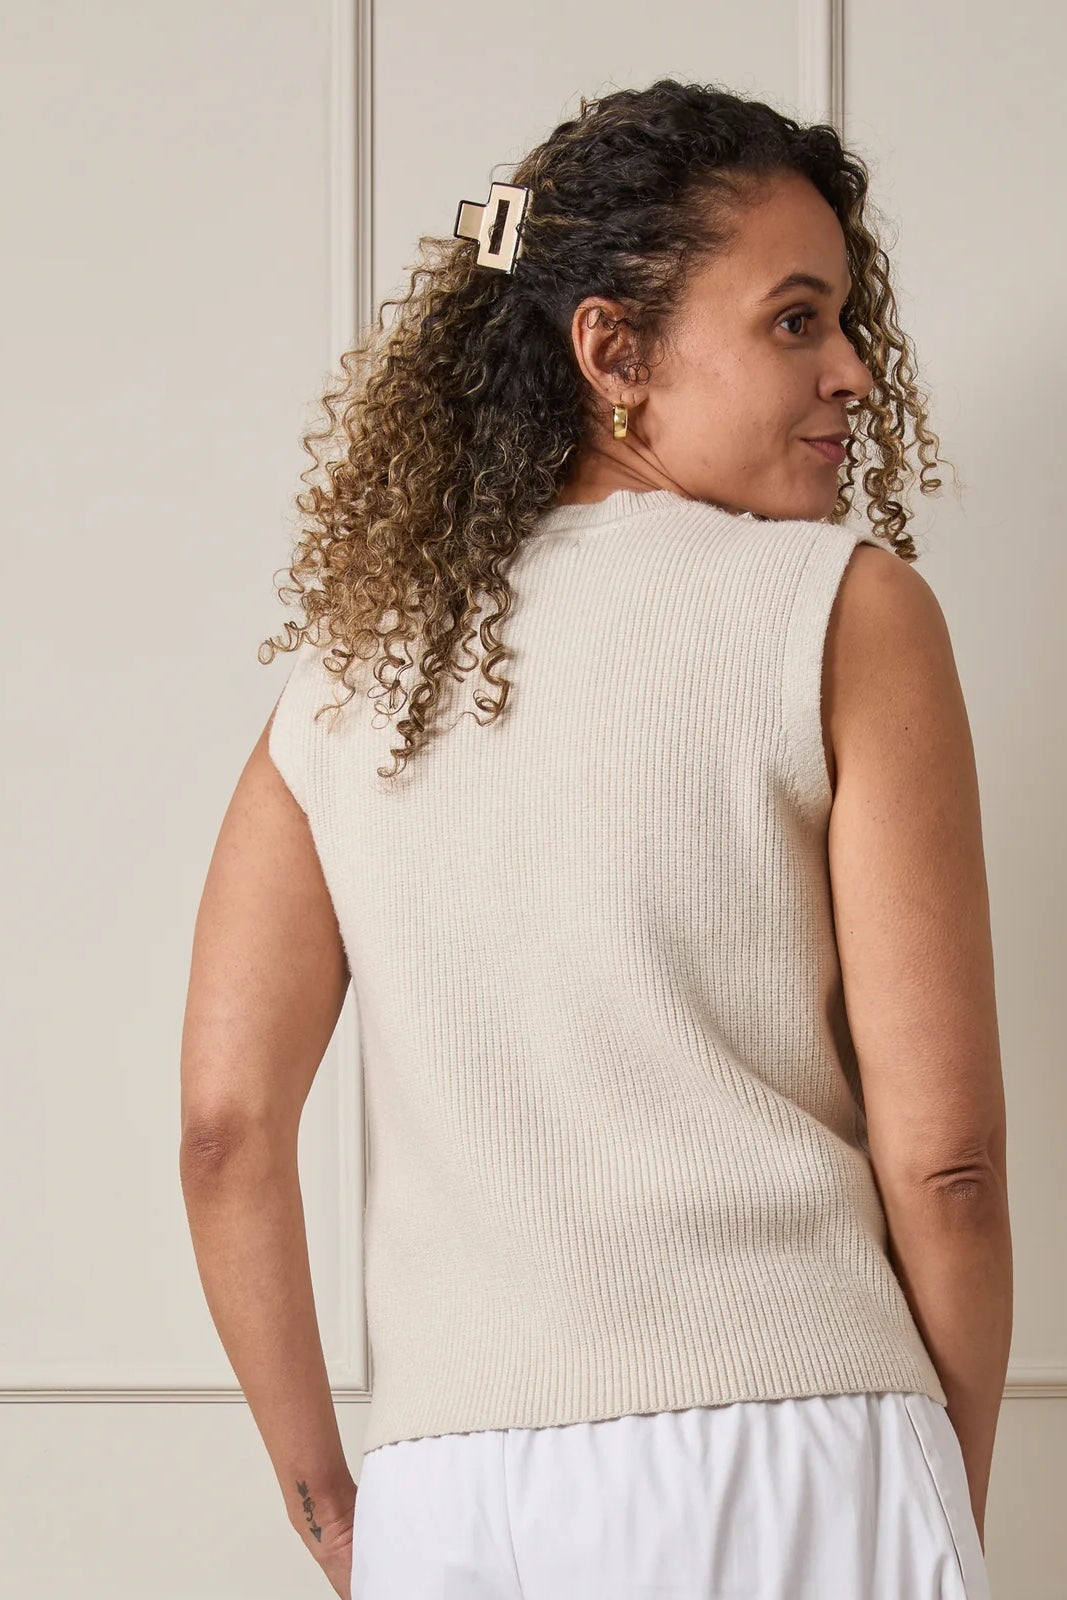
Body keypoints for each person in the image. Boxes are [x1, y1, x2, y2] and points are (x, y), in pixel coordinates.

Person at [179, 79, 1012, 1599]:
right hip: (791, 1441)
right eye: (796, 321)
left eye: (845, 322)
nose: (854, 371)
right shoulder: (844, 611)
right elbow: (946, 1160)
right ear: (613, 354)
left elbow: (225, 1133)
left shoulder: (348, 684)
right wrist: (943, 1480)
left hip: (448, 1493)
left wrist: (334, 1515)